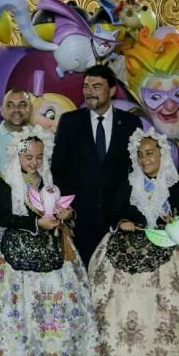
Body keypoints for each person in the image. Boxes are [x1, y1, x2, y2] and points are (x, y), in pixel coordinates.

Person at [0, 125, 101, 356]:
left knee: (52, 305)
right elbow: (5, 217)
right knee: (18, 307)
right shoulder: (5, 181)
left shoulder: (48, 181)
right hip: (13, 248)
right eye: (28, 157)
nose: (34, 162)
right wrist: (35, 224)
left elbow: (59, 208)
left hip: (50, 245)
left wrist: (68, 215)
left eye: (39, 157)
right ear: (17, 155)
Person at [89, 129, 179, 356]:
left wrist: (176, 223)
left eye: (150, 154)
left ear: (162, 155)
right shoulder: (130, 182)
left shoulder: (175, 184)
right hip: (132, 243)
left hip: (167, 246)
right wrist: (123, 221)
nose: (145, 160)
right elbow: (114, 213)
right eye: (141, 155)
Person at [51, 64, 140, 265]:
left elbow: (135, 171)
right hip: (79, 220)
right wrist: (68, 209)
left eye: (96, 86)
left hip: (118, 221)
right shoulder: (70, 122)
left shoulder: (130, 123)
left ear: (112, 90)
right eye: (86, 86)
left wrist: (127, 214)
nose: (89, 91)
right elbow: (58, 168)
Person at [0, 89, 33, 173]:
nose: (16, 110)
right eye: (9, 105)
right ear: (1, 110)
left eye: (22, 105)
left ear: (30, 109)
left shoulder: (46, 138)